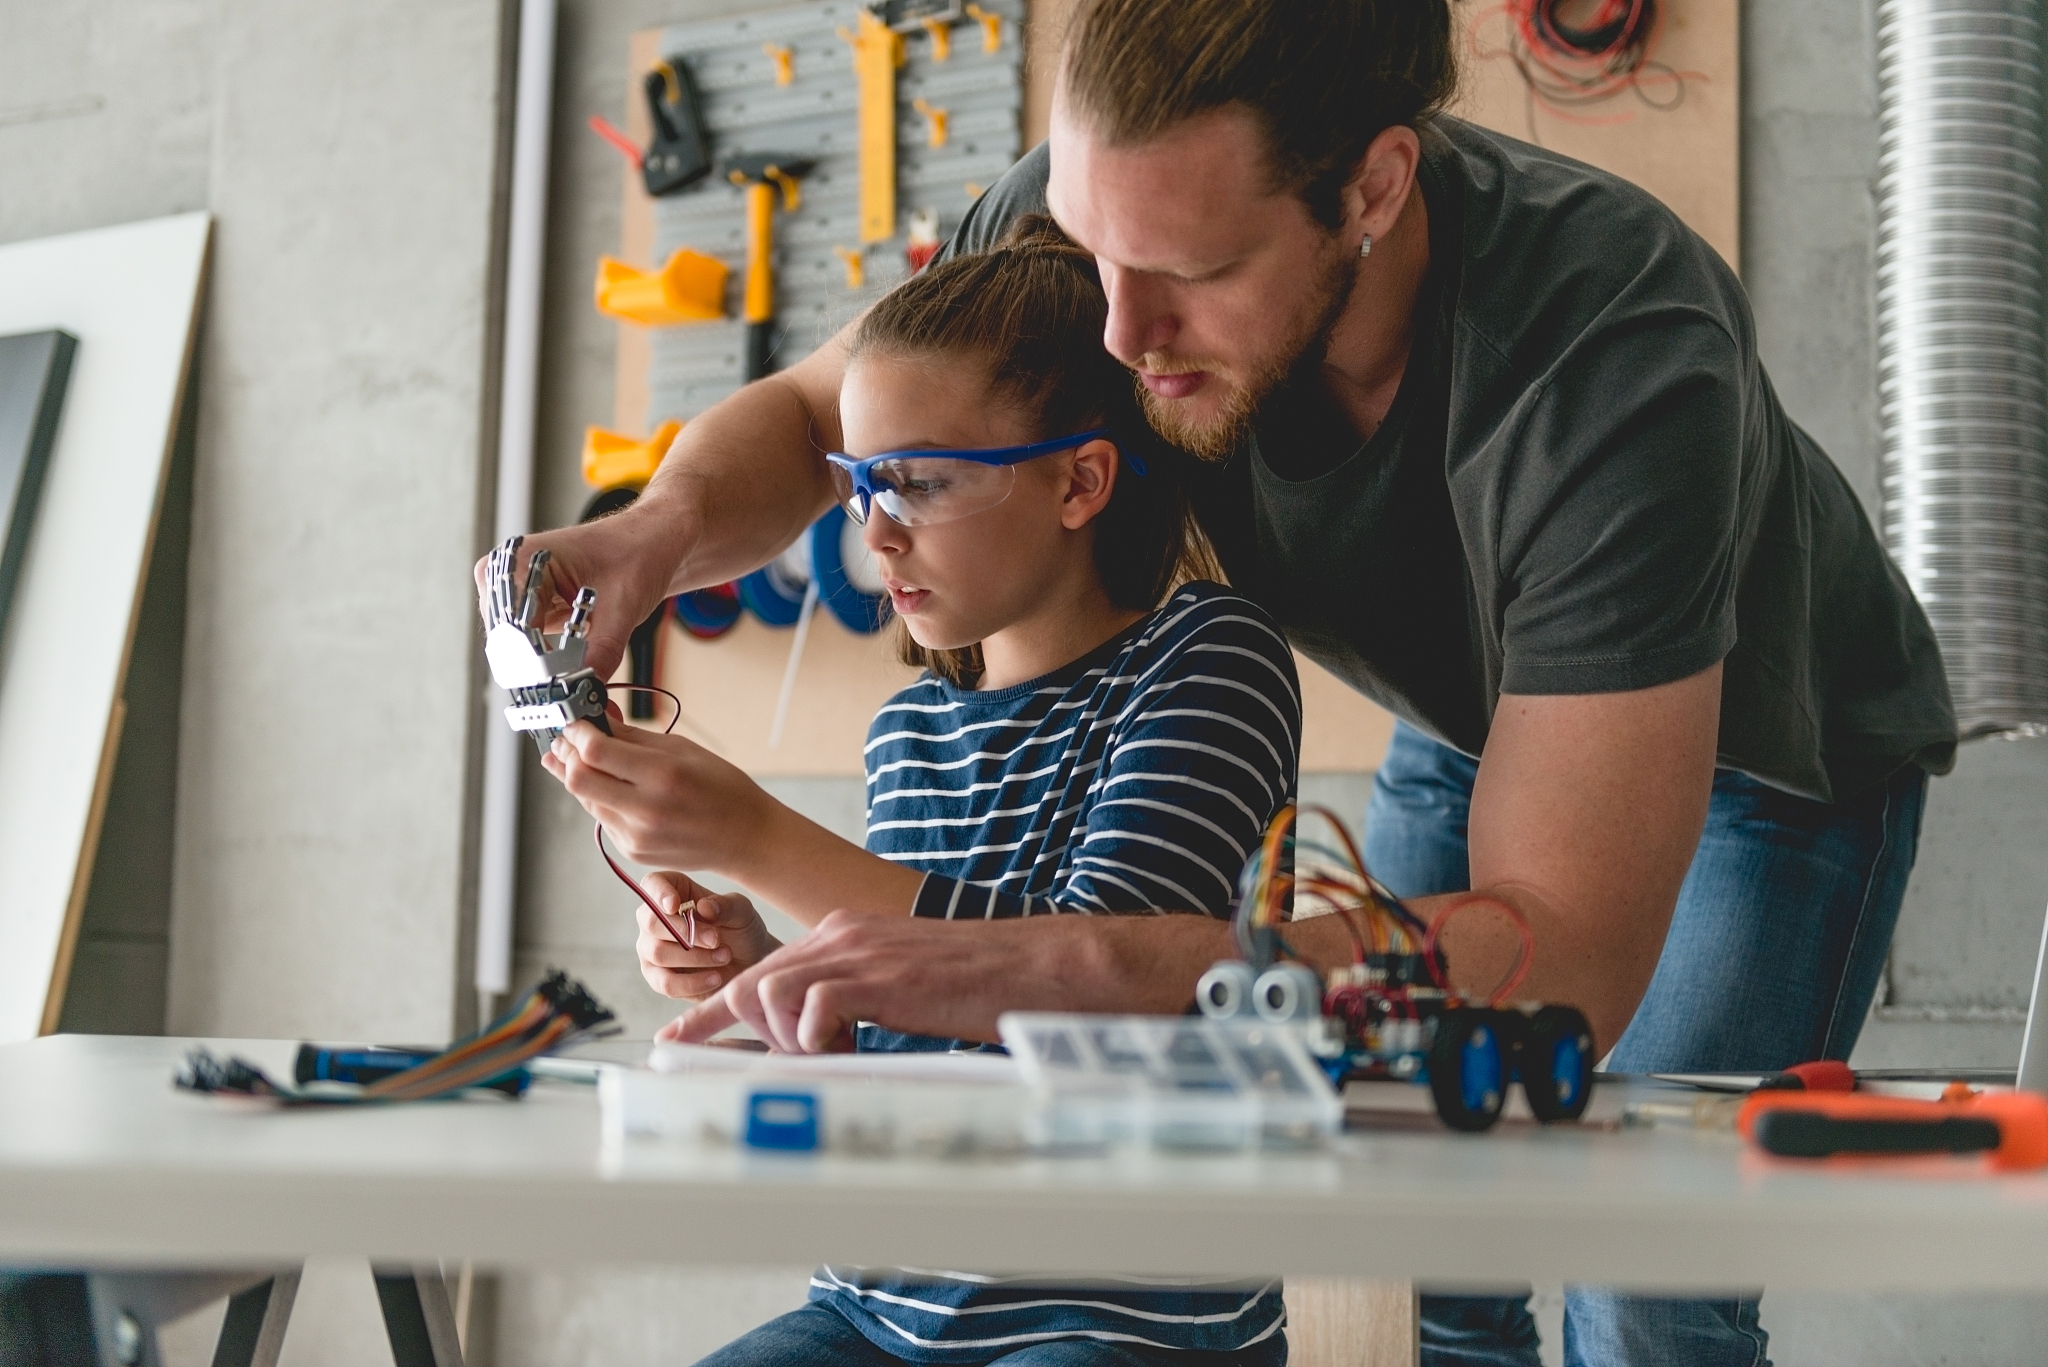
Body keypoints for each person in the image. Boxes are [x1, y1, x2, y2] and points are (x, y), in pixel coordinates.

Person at [486, 1, 1956, 1362]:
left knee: (1645, 1255)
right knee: (1427, 1214)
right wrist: (654, 530)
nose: (1116, 335)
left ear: (1374, 191)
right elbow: (821, 410)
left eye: (1188, 275)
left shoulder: (1616, 354)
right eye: (1090, 246)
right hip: (1475, 713)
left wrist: (1011, 962)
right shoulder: (1110, 234)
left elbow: (1556, 948)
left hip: (1770, 763)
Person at [545, 221, 1303, 1366]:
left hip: (1123, 1317)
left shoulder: (1207, 657)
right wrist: (770, 971)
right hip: (880, 1304)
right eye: (854, 483)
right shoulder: (908, 730)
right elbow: (915, 1036)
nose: (872, 530)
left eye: (917, 481)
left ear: (1078, 480)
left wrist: (759, 840)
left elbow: (1111, 978)